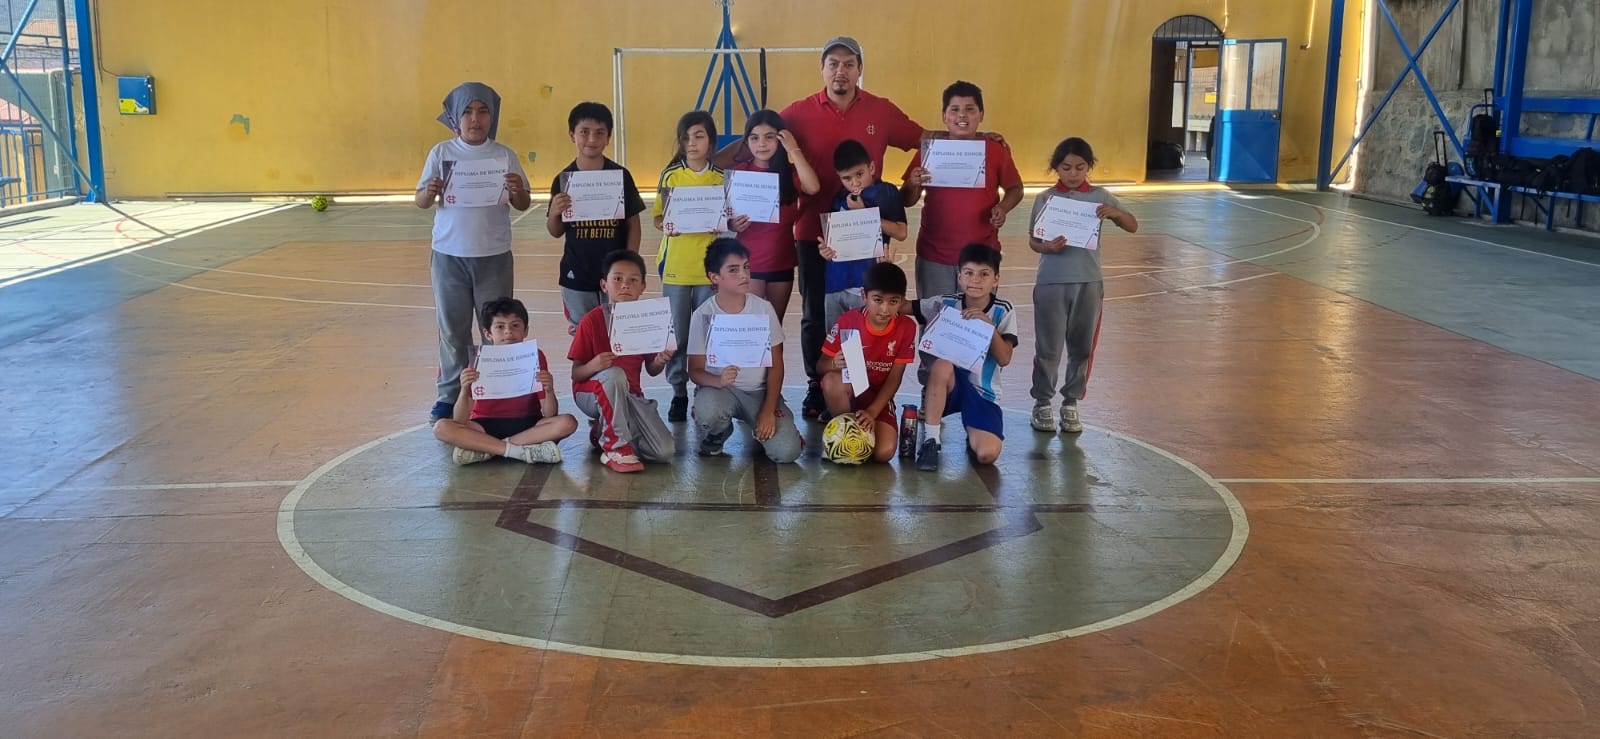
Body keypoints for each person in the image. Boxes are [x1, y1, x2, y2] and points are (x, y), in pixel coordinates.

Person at [415, 82, 532, 423]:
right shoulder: (441, 153)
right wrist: (430, 191)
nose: (475, 119)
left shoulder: (504, 154)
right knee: (452, 329)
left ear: (492, 117)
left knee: (498, 330)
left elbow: (523, 200)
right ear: (455, 117)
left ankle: (496, 391)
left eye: (482, 111)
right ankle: (449, 395)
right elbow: (421, 202)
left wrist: (514, 191)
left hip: (493, 255)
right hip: (449, 254)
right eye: (467, 111)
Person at [1027, 138, 1139, 434]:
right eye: (1066, 167)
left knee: (1082, 346)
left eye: (1080, 167)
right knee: (1048, 347)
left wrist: (1114, 213)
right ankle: (1041, 403)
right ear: (1056, 168)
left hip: (1089, 282)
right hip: (1051, 282)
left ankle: (1071, 402)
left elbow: (1132, 225)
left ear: (1090, 167)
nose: (1073, 174)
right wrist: (1048, 247)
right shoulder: (1046, 198)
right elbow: (1033, 240)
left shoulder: (1101, 197)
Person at [653, 111, 750, 423]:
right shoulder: (670, 176)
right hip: (676, 269)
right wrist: (666, 224)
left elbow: (729, 222)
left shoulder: (721, 179)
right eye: (686, 137)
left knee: (707, 336)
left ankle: (703, 391)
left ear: (711, 142)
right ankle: (679, 391)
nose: (692, 143)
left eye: (699, 136)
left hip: (708, 271)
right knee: (678, 335)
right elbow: (657, 217)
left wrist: (730, 222)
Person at [900, 80, 1024, 300]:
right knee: (935, 325)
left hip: (982, 256)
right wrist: (912, 182)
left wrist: (1003, 207)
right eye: (955, 110)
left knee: (976, 328)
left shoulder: (995, 150)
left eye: (970, 109)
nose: (962, 116)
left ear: (981, 114)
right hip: (934, 256)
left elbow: (1015, 187)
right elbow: (907, 200)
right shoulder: (930, 149)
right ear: (944, 116)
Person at [686, 238, 803, 463]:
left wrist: (769, 409)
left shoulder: (763, 309)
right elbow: (695, 370)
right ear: (714, 277)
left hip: (760, 393)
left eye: (746, 267)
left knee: (787, 452)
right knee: (708, 411)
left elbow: (776, 365)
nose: (743, 274)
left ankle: (765, 428)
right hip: (722, 391)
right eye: (733, 269)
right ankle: (718, 433)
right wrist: (718, 380)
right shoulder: (703, 315)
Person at [906, 244, 1017, 471]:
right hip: (948, 386)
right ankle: (931, 441)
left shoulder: (1003, 310)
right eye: (968, 273)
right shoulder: (945, 303)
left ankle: (974, 429)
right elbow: (904, 306)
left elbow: (1004, 358)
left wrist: (989, 328)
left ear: (996, 279)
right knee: (942, 364)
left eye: (983, 274)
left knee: (986, 454)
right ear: (959, 277)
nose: (975, 280)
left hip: (982, 392)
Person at [568, 250, 678, 473]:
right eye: (617, 279)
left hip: (630, 395)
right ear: (604, 285)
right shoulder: (592, 320)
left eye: (633, 280)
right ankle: (614, 448)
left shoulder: (647, 319)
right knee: (614, 374)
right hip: (590, 392)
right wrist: (595, 365)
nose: (625, 285)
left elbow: (652, 369)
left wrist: (660, 360)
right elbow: (576, 374)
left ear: (642, 287)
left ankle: (607, 428)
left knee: (663, 452)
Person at [433, 297, 578, 465]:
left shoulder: (535, 356)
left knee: (567, 422)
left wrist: (549, 390)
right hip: (484, 426)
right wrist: (465, 389)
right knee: (442, 428)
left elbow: (550, 414)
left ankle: (488, 450)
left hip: (528, 424)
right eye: (500, 327)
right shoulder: (479, 360)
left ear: (525, 330)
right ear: (488, 333)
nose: (508, 332)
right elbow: (459, 419)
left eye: (515, 325)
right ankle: (518, 451)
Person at [547, 102, 646, 335]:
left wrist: (629, 262)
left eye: (600, 133)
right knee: (584, 334)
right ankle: (587, 373)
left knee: (619, 331)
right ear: (572, 135)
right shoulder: (563, 179)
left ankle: (619, 373)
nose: (592, 139)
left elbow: (634, 223)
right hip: (577, 274)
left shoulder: (621, 176)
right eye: (584, 132)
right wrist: (554, 212)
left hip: (615, 274)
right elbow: (555, 230)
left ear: (608, 138)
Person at [726, 109, 821, 322]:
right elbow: (725, 216)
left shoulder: (790, 174)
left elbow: (813, 187)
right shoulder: (739, 173)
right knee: (752, 328)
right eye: (754, 138)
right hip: (749, 263)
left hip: (782, 263)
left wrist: (793, 149)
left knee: (774, 328)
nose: (762, 144)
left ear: (780, 139)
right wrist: (732, 224)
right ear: (747, 141)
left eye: (769, 137)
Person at [817, 262, 917, 464]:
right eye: (877, 300)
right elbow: (820, 367)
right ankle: (844, 432)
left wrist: (872, 411)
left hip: (878, 398)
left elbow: (895, 378)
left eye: (893, 302)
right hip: (850, 390)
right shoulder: (848, 321)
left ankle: (862, 429)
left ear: (902, 301)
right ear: (864, 296)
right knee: (831, 381)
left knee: (883, 453)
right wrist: (834, 363)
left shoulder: (906, 327)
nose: (884, 309)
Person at [819, 139, 908, 342]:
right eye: (847, 178)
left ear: (872, 167)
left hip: (867, 283)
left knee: (867, 344)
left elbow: (901, 232)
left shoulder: (886, 192)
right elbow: (832, 240)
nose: (855, 183)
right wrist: (825, 251)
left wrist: (865, 213)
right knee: (837, 345)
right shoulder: (839, 198)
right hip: (835, 282)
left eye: (860, 174)